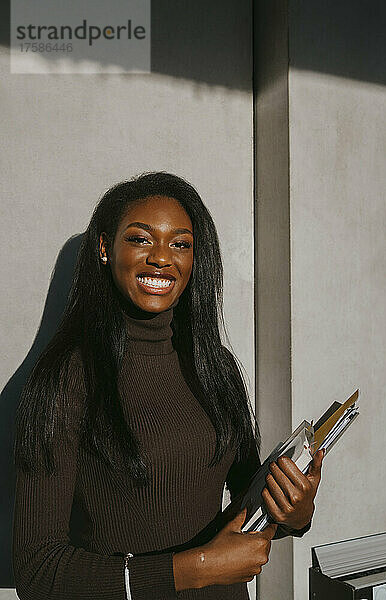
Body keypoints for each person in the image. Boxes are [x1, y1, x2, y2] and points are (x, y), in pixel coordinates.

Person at [12, 171, 324, 600]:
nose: (162, 258)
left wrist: (294, 510)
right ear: (105, 248)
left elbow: (246, 506)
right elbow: (38, 571)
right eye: (141, 239)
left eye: (180, 244)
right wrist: (188, 571)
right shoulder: (66, 377)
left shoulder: (213, 365)